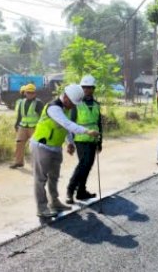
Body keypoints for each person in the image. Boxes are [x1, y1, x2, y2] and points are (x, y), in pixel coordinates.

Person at [30, 84, 100, 218]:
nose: (73, 106)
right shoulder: (53, 108)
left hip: (55, 147)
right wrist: (87, 131)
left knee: (54, 178)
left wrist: (70, 143)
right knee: (40, 179)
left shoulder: (65, 108)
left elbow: (65, 127)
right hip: (42, 146)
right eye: (73, 103)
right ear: (66, 97)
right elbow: (68, 124)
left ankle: (54, 203)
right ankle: (42, 208)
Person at [66, 75, 103, 204]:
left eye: (89, 88)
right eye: (85, 88)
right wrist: (69, 143)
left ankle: (81, 191)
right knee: (83, 164)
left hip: (93, 140)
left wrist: (100, 142)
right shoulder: (77, 104)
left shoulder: (97, 104)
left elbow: (99, 124)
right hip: (81, 139)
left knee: (88, 166)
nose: (87, 90)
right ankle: (70, 191)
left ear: (93, 89)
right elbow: (70, 124)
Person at [10, 84, 43, 169]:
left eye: (32, 92)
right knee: (19, 143)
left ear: (35, 93)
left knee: (35, 146)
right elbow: (20, 115)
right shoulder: (22, 102)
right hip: (23, 126)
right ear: (25, 93)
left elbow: (42, 117)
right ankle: (19, 162)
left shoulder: (38, 103)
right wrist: (16, 124)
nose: (30, 94)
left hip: (34, 127)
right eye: (28, 92)